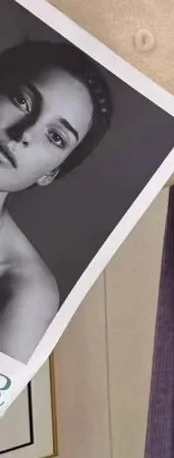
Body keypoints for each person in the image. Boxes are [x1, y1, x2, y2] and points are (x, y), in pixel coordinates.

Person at [0, 40, 112, 364]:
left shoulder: (27, 291)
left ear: (50, 174)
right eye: (22, 100)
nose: (24, 134)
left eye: (56, 137)